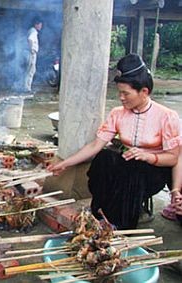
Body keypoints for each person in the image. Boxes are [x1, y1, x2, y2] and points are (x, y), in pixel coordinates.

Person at [48, 53, 181, 229]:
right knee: (104, 158)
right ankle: (99, 214)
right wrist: (65, 163)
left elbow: (173, 158)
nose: (121, 97)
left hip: (152, 172)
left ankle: (122, 226)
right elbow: (96, 145)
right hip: (128, 167)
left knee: (132, 173)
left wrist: (147, 156)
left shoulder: (167, 117)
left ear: (144, 92)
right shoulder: (117, 113)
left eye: (126, 93)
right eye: (120, 93)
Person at [24, 18, 43, 93]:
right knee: (31, 70)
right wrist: (31, 49)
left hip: (29, 53)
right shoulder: (34, 31)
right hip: (31, 53)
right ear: (36, 25)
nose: (41, 26)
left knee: (29, 70)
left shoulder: (31, 30)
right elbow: (30, 39)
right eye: (40, 25)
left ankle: (26, 87)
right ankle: (27, 88)